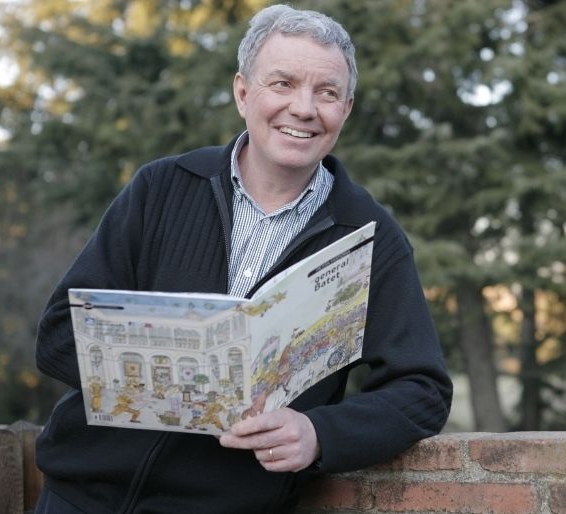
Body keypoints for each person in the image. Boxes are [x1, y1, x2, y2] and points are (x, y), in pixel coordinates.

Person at [33, 5, 452, 513]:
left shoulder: (369, 237)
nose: (304, 108)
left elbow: (422, 390)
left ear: (346, 109)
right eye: (282, 83)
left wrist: (319, 432)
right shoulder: (162, 188)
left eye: (327, 93)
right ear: (242, 93)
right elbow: (58, 336)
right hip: (80, 499)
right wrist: (180, 377)